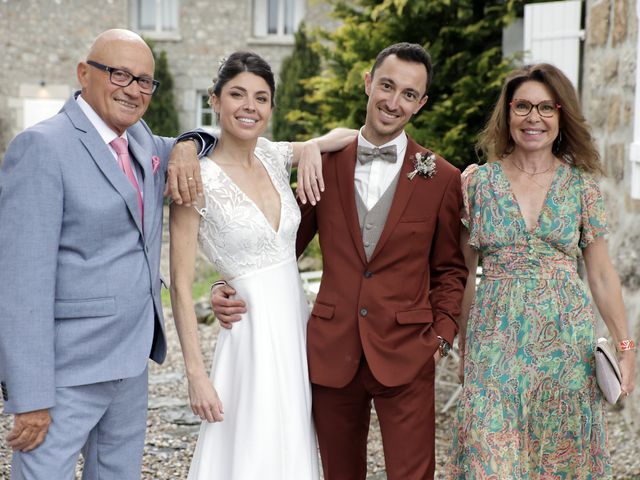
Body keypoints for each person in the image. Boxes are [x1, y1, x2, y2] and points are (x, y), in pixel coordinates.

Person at [211, 43, 468, 479]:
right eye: (386, 86)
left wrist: (441, 337)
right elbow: (277, 243)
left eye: (408, 94)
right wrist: (226, 283)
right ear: (368, 83)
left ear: (420, 104)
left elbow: (450, 269)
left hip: (408, 354)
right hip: (332, 353)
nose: (393, 101)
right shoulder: (323, 164)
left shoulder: (442, 177)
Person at [0, 29, 203, 479]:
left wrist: (187, 145)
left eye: (145, 81)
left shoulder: (143, 139)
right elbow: (20, 284)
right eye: (120, 75)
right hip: (68, 369)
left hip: (131, 362)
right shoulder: (42, 147)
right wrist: (31, 396)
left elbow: (205, 136)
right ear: (84, 74)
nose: (133, 89)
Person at [169, 51, 356, 480]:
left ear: (272, 107)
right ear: (215, 101)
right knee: (250, 453)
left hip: (293, 331)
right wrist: (195, 375)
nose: (249, 106)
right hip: (248, 341)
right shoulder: (196, 177)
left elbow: (350, 136)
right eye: (237, 94)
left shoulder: (273, 156)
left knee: (290, 446)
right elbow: (180, 286)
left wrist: (310, 146)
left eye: (261, 97)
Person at [447, 63, 637, 478]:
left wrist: (626, 348)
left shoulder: (581, 186)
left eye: (546, 108)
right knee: (488, 461)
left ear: (561, 115)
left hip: (566, 350)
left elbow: (602, 274)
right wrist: (464, 349)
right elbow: (463, 276)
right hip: (493, 348)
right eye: (524, 107)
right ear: (508, 113)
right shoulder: (477, 184)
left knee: (560, 464)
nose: (534, 118)